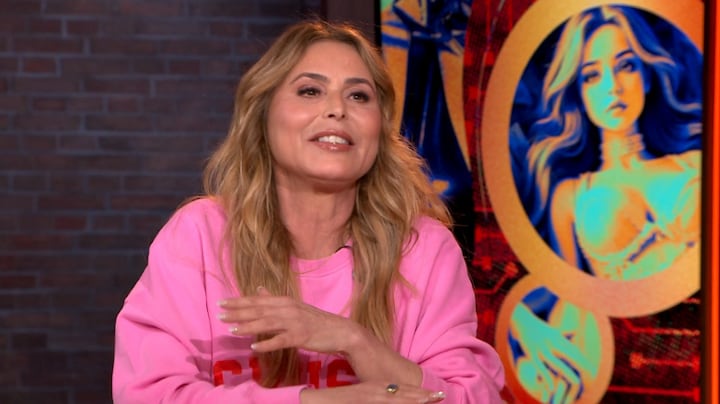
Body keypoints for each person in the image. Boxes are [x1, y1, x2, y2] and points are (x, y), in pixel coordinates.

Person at [112, 19, 505, 403]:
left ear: (380, 129)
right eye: (310, 91)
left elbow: (474, 397)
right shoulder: (199, 235)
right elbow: (149, 394)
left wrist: (354, 341)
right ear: (263, 115)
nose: (337, 109)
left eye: (358, 96)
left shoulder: (424, 248)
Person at [512, 5, 702, 280]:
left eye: (626, 66)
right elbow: (568, 297)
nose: (613, 87)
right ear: (579, 94)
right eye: (592, 76)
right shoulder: (568, 198)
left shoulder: (696, 164)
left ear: (647, 77)